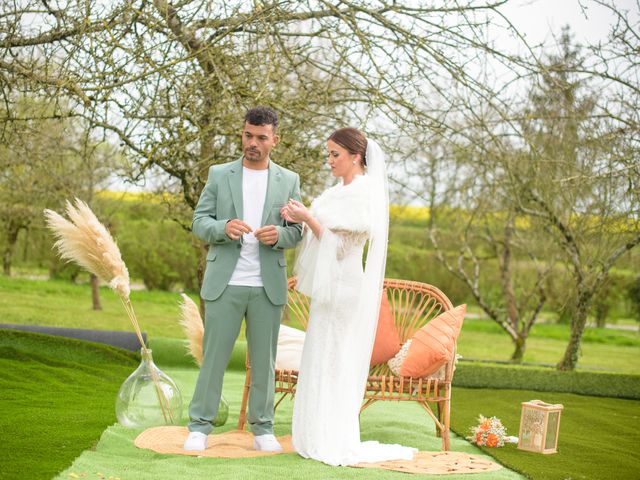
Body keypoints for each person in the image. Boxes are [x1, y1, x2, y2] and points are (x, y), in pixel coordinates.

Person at [281, 128, 416, 466]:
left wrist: (308, 217)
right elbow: (320, 236)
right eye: (328, 154)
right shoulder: (334, 193)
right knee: (320, 351)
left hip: (345, 287)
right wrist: (298, 218)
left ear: (355, 156)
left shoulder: (363, 193)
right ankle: (314, 432)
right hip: (330, 287)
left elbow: (342, 247)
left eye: (334, 155)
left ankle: (333, 435)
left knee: (335, 356)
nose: (329, 161)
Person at [184, 106, 303, 452]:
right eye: (248, 135)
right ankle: (199, 427)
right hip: (226, 282)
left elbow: (297, 231)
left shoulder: (289, 180)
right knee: (214, 357)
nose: (252, 143)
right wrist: (223, 228)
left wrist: (278, 236)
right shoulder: (219, 174)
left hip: (267, 286)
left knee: (265, 362)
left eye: (261, 138)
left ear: (274, 140)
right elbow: (199, 221)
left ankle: (263, 429)